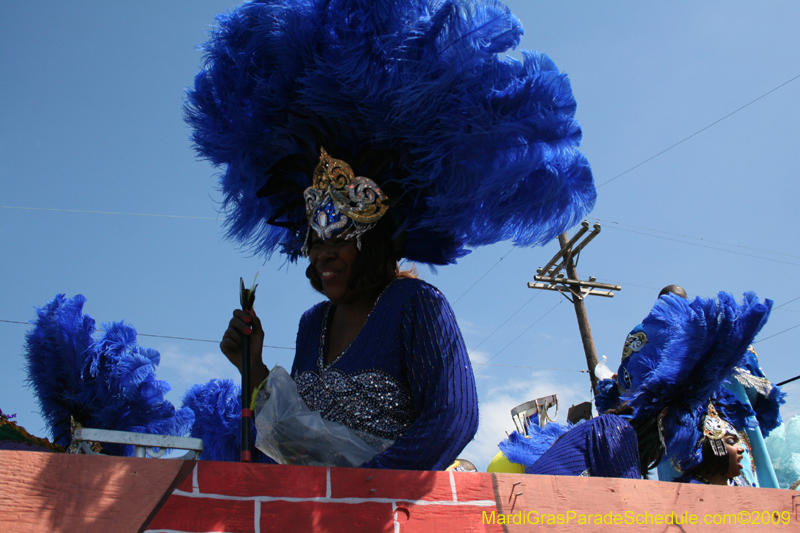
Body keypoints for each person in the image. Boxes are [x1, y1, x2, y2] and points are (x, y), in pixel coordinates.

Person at [220, 150, 478, 470]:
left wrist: (365, 488)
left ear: (372, 245)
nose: (323, 255)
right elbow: (298, 438)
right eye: (315, 241)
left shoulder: (415, 302)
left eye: (340, 238)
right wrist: (251, 365)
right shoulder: (312, 323)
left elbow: (453, 417)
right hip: (321, 509)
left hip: (394, 510)